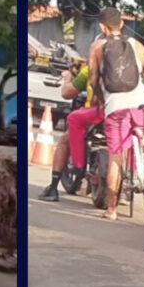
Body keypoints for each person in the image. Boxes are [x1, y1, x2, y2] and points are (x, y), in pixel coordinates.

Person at [88, 7, 144, 221]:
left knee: (116, 157)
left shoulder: (97, 47)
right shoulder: (137, 45)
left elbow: (93, 79)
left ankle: (112, 210)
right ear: (121, 24)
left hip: (116, 109)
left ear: (102, 26)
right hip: (143, 106)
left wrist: (97, 97)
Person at [38, 60, 103, 201]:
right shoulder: (133, 68)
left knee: (63, 141)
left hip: (95, 114)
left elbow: (67, 93)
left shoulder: (90, 69)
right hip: (124, 115)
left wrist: (67, 77)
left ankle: (53, 187)